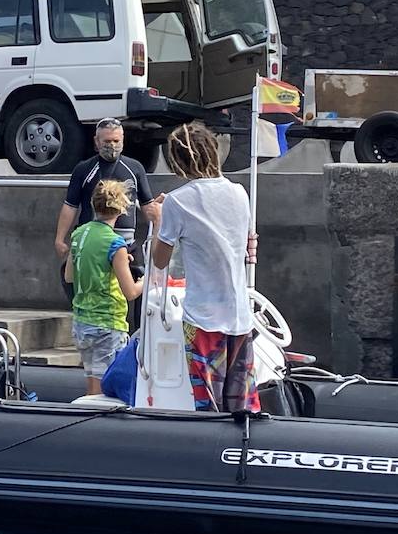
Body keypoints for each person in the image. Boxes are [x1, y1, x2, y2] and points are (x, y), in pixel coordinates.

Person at [149, 122, 259, 413]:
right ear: (213, 151)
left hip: (202, 319)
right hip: (239, 316)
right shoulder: (239, 193)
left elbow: (160, 261)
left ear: (178, 161)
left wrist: (158, 218)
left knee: (207, 405)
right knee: (242, 406)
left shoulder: (177, 202)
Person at [64, 179, 144, 395]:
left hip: (82, 321)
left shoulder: (79, 234)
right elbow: (130, 292)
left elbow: (69, 276)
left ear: (93, 204)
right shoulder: (115, 243)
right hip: (107, 322)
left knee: (92, 382)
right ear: (121, 210)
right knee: (104, 389)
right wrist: (146, 281)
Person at [55, 118, 163, 267]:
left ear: (123, 140)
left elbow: (147, 204)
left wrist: (158, 223)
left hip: (126, 243)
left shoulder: (135, 168)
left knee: (135, 285)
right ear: (97, 141)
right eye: (107, 141)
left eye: (116, 141)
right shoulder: (83, 169)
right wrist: (60, 239)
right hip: (91, 241)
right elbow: (70, 205)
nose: (112, 145)